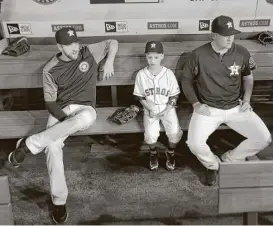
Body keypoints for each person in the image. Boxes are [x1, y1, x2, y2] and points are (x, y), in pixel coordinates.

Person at [8, 27, 118, 223]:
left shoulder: (88, 52)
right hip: (62, 110)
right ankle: (59, 201)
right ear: (59, 46)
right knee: (51, 146)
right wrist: (64, 120)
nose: (74, 47)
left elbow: (113, 42)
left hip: (85, 109)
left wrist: (109, 61)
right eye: (68, 45)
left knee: (85, 119)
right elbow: (50, 102)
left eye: (75, 42)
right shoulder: (50, 69)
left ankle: (29, 144)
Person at [181, 15, 272, 186]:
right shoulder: (199, 54)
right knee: (194, 143)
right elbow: (186, 80)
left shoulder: (241, 51)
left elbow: (248, 77)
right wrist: (196, 104)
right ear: (213, 35)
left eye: (232, 33)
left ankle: (230, 159)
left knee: (264, 138)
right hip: (209, 109)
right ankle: (212, 165)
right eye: (225, 34)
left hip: (236, 107)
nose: (230, 38)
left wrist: (246, 99)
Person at [133, 41, 183, 171]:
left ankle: (170, 152)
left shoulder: (168, 74)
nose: (152, 60)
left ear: (162, 56)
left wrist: (167, 109)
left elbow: (174, 95)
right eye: (150, 57)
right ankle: (153, 153)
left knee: (175, 133)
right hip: (150, 108)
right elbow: (140, 96)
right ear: (146, 57)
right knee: (150, 135)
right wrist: (149, 109)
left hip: (167, 107)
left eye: (156, 57)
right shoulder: (141, 75)